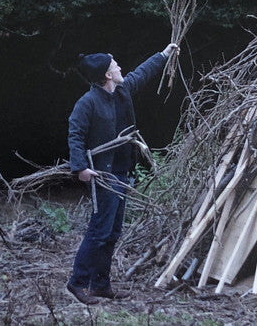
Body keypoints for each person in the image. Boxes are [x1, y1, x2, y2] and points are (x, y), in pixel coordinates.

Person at [66, 42, 180, 305]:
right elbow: (75, 133)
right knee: (99, 229)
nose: (119, 67)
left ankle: (100, 285)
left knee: (113, 231)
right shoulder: (88, 102)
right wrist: (80, 167)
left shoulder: (121, 91)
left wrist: (163, 54)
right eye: (114, 64)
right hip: (101, 174)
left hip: (121, 171)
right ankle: (78, 283)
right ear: (106, 74)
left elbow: (142, 73)